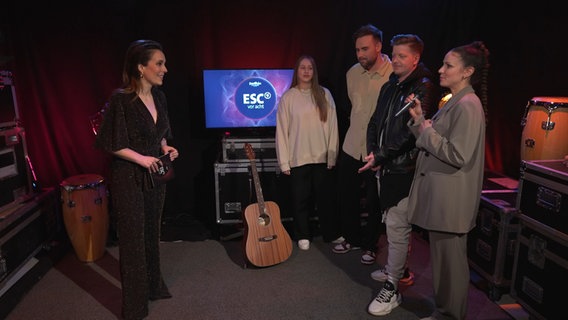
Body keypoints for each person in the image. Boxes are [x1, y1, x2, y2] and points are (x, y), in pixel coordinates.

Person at [95, 39, 179, 320]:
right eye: (159, 63)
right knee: (133, 241)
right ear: (141, 68)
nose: (165, 69)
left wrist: (165, 146)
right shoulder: (121, 99)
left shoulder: (160, 97)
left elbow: (159, 132)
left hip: (154, 177)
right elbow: (110, 142)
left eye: (164, 63)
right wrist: (143, 159)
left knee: (151, 234)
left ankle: (153, 286)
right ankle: (134, 307)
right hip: (128, 178)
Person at [408, 41, 489, 320]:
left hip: (452, 202)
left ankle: (451, 315)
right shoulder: (456, 101)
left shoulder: (468, 105)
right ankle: (445, 311)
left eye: (448, 65)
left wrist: (427, 130)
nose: (441, 70)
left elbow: (457, 154)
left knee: (451, 267)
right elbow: (435, 141)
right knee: (443, 264)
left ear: (467, 71)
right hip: (444, 199)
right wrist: (420, 121)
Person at [360, 34, 439, 316]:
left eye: (402, 56)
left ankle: (393, 288)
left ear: (415, 58)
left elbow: (411, 133)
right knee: (392, 224)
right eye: (394, 55)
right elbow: (374, 121)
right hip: (386, 166)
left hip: (405, 169)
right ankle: (398, 270)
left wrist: (381, 157)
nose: (395, 59)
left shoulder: (424, 86)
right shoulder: (391, 84)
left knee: (396, 226)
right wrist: (374, 152)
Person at [333, 24, 393, 265]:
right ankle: (352, 238)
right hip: (351, 145)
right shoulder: (352, 73)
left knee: (373, 200)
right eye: (357, 50)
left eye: (365, 49)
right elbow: (353, 108)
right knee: (346, 195)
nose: (360, 55)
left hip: (375, 150)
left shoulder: (393, 74)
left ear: (378, 46)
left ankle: (370, 245)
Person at [275, 54, 339, 250]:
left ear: (314, 71)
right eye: (302, 67)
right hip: (298, 158)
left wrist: (332, 155)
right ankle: (302, 235)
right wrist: (284, 162)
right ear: (297, 71)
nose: (306, 71)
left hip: (321, 156)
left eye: (310, 68)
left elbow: (332, 126)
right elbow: (282, 131)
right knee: (300, 200)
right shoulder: (288, 97)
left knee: (325, 199)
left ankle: (331, 233)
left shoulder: (324, 94)